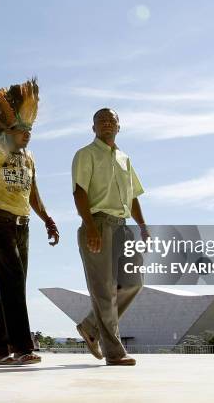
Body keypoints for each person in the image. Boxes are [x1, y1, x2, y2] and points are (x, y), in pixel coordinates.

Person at [0, 79, 59, 366]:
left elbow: (33, 193)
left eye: (29, 130)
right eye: (21, 129)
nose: (26, 135)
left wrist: (47, 219)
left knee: (12, 286)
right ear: (9, 129)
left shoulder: (29, 157)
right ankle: (22, 347)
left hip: (24, 225)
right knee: (14, 283)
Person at [71, 108, 148, 366]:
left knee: (134, 282)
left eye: (111, 120)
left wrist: (143, 225)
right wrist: (90, 226)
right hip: (98, 224)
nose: (106, 124)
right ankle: (114, 353)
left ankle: (90, 327)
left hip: (123, 227)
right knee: (104, 291)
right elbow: (79, 192)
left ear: (118, 126)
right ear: (93, 128)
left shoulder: (125, 159)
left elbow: (132, 195)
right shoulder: (85, 155)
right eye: (100, 121)